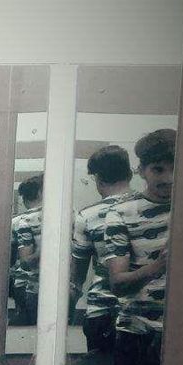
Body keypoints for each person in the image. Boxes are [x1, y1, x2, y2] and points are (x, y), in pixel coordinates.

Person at [103, 129, 175, 365]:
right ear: (141, 170)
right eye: (158, 169)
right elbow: (118, 283)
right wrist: (159, 266)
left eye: (175, 168)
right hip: (137, 332)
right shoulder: (121, 213)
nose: (168, 178)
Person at [70, 145, 133, 353]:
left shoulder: (87, 216)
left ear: (98, 179)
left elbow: (77, 274)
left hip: (103, 310)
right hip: (145, 312)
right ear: (130, 174)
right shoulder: (147, 207)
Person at [10, 173, 43, 325]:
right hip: (59, 286)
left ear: (24, 199)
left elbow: (23, 260)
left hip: (27, 286)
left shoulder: (19, 221)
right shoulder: (69, 215)